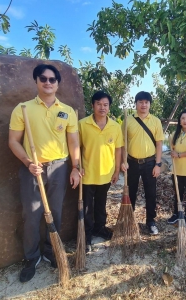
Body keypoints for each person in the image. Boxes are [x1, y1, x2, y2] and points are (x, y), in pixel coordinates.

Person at [8, 64, 80, 283]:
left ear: (58, 84)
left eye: (52, 79)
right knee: (31, 213)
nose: (48, 82)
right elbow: (13, 141)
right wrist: (28, 162)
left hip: (59, 166)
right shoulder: (23, 109)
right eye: (43, 79)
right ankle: (31, 257)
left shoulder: (67, 111)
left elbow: (74, 142)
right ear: (36, 81)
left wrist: (76, 167)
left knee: (55, 212)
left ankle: (51, 251)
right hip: (32, 168)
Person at [78, 91, 123, 251]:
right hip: (87, 174)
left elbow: (118, 150)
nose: (102, 107)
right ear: (92, 105)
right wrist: (77, 166)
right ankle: (87, 235)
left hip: (106, 174)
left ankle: (100, 228)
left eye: (105, 105)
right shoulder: (82, 124)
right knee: (87, 207)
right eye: (98, 104)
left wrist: (117, 170)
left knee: (101, 204)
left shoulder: (115, 126)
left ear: (109, 107)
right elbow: (77, 147)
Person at [121, 91, 164, 235]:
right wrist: (123, 161)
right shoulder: (128, 120)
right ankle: (129, 221)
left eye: (146, 102)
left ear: (150, 104)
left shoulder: (155, 121)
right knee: (130, 192)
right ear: (136, 104)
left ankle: (151, 221)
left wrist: (158, 165)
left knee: (150, 193)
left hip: (150, 163)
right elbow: (122, 144)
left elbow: (159, 144)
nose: (143, 105)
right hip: (131, 162)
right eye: (140, 102)